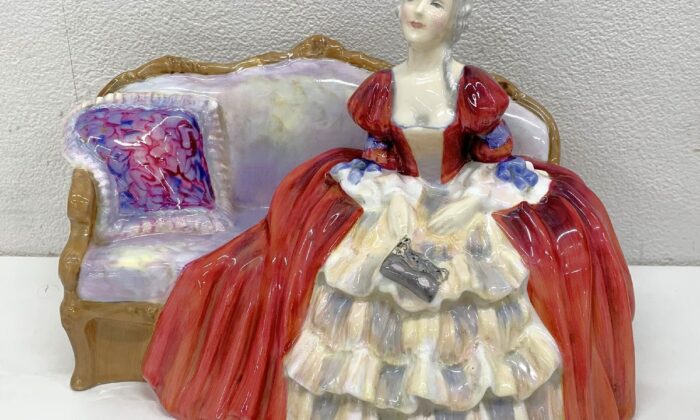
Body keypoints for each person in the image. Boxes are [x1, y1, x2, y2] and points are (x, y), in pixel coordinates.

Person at [143, 1, 635, 419]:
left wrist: (473, 200)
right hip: (395, 195)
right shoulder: (383, 88)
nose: (417, 10)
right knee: (362, 281)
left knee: (472, 290)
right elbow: (378, 155)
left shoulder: (470, 88)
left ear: (458, 16)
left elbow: (495, 154)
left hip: (461, 195)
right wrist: (391, 197)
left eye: (436, 2)